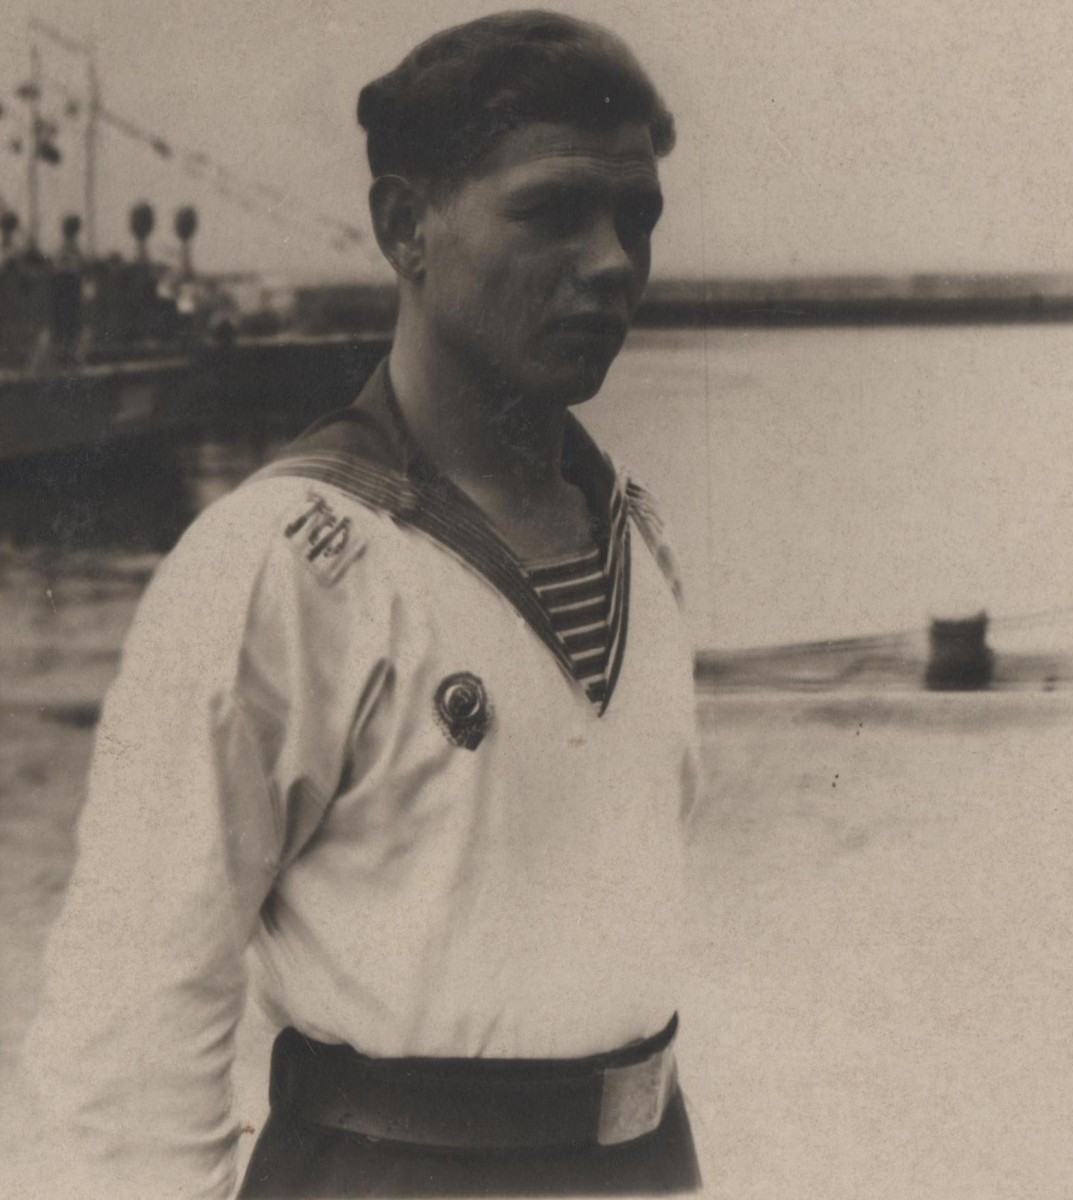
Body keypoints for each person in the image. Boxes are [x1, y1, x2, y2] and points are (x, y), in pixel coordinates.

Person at [24, 10, 702, 1198]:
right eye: (551, 212)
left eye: (635, 217)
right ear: (406, 229)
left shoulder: (638, 544)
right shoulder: (278, 563)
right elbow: (126, 1028)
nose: (611, 262)